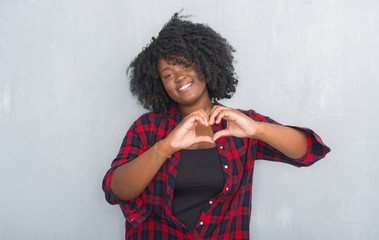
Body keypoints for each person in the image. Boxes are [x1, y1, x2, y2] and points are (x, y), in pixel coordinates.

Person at [102, 12, 330, 240]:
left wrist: (258, 129)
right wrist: (166, 146)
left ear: (206, 64)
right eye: (168, 74)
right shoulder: (148, 127)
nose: (179, 77)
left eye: (186, 65)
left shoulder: (239, 123)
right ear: (159, 85)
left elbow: (308, 152)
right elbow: (116, 191)